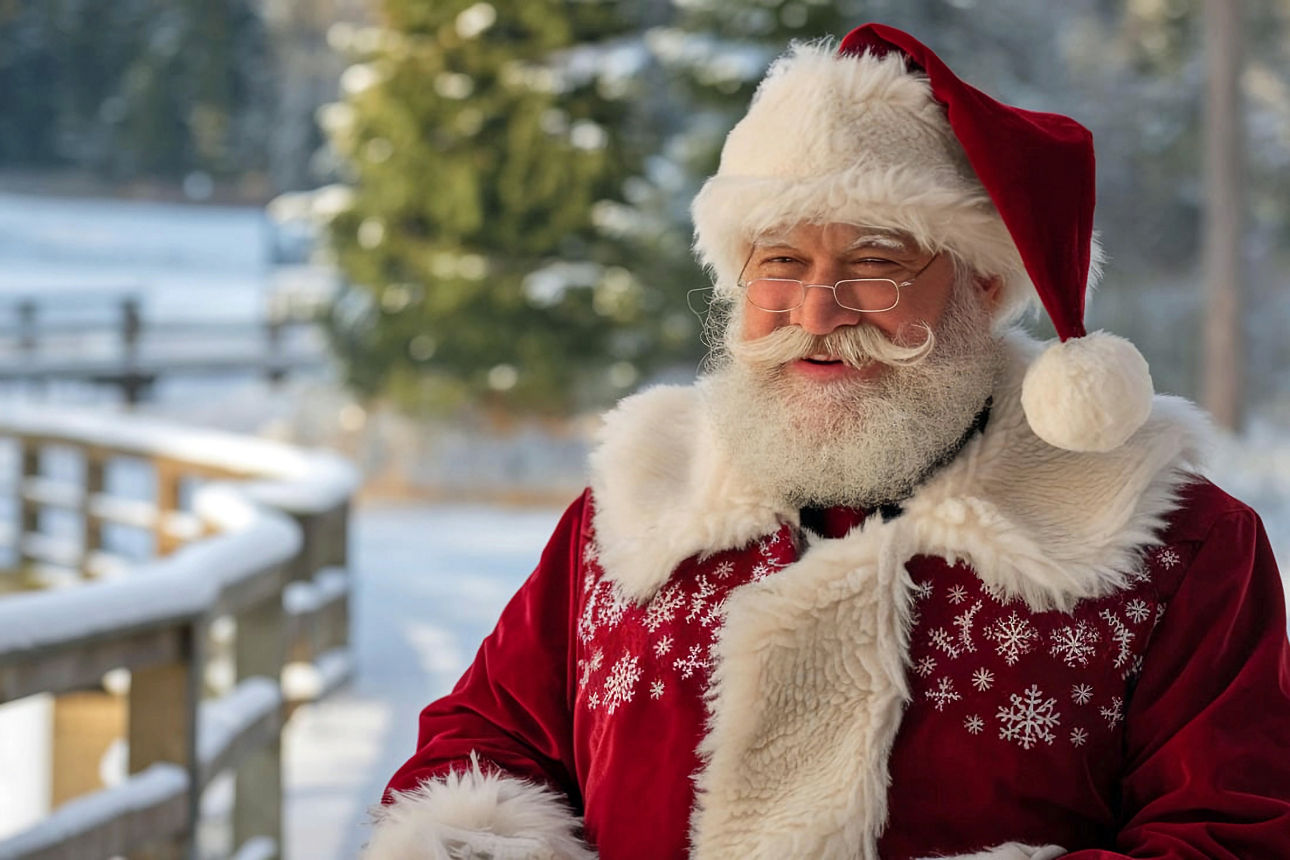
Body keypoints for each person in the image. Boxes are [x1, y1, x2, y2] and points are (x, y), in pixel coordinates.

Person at [364, 23, 1290, 860]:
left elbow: (1232, 834)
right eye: (781, 263)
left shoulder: (1168, 545)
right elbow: (489, 741)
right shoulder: (641, 502)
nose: (817, 309)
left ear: (980, 285)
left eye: (876, 265)